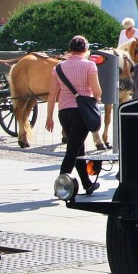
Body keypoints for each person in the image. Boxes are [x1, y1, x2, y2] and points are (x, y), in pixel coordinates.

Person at [45, 35, 103, 195]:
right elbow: (97, 91)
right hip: (81, 112)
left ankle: (87, 184)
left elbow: (51, 94)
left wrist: (49, 117)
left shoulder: (58, 68)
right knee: (72, 150)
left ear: (70, 49)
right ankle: (61, 186)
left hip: (64, 111)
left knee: (78, 148)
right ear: (85, 49)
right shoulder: (90, 65)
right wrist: (96, 98)